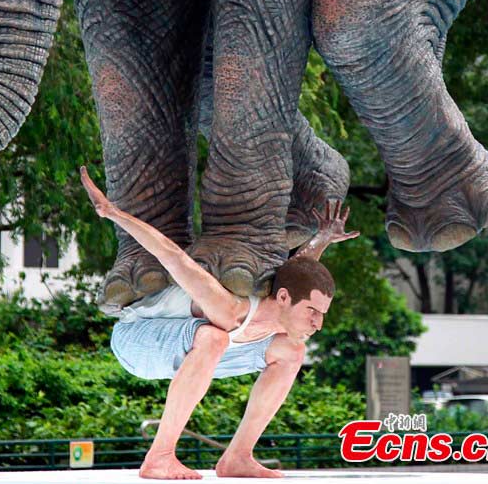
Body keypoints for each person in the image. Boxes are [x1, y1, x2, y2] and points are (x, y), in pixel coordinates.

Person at [80, 166, 359, 480]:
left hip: (186, 350)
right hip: (135, 341)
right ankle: (159, 457)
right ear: (282, 299)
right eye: (312, 312)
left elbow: (299, 274)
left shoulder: (284, 314)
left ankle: (237, 458)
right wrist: (113, 212)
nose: (317, 324)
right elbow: (172, 256)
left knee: (291, 351)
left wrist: (321, 239)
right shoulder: (228, 307)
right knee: (214, 336)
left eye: (321, 315)